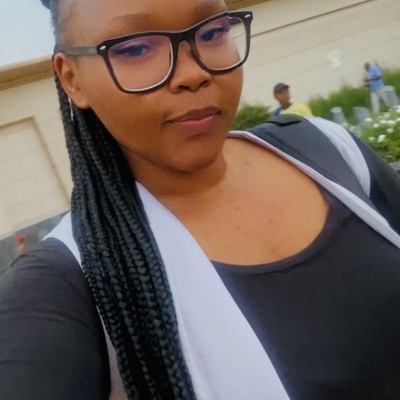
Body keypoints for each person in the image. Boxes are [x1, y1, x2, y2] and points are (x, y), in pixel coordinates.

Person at [2, 0, 400, 399]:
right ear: (72, 79)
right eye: (135, 48)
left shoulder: (329, 151)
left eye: (212, 32)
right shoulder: (61, 288)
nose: (193, 73)